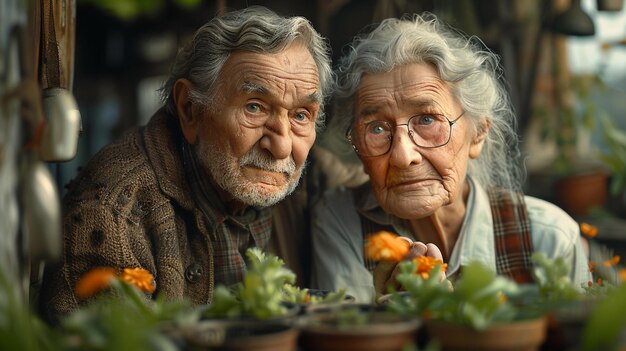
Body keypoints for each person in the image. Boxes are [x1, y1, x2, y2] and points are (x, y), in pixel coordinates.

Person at [39, 6, 333, 320]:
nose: (282, 146)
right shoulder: (111, 214)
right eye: (255, 108)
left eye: (301, 115)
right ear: (190, 110)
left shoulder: (308, 181)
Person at [310, 13, 591, 303]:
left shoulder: (549, 238)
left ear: (478, 134)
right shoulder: (341, 221)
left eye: (427, 120)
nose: (403, 156)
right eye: (377, 128)